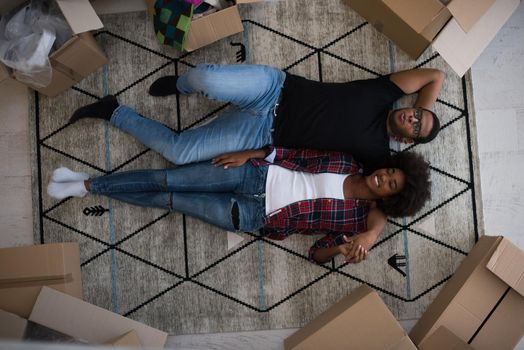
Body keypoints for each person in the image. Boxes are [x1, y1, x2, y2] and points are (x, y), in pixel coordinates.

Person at [47, 146, 431, 264]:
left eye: (391, 184)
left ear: (389, 198)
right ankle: (87, 183)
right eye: (390, 171)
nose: (384, 176)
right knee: (169, 178)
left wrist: (340, 249)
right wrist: (247, 154)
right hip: (253, 175)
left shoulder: (357, 219)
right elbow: (294, 153)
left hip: (250, 215)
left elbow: (316, 254)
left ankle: (87, 189)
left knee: (169, 199)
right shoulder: (347, 162)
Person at [70, 64, 445, 174]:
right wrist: (427, 113)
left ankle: (112, 111)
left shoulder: (378, 152)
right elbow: (435, 76)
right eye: (418, 115)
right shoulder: (386, 92)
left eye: (416, 127)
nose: (412, 117)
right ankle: (183, 84)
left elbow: (392, 200)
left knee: (180, 154)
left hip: (261, 132)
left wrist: (368, 237)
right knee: (207, 80)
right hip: (275, 89)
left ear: (407, 141)